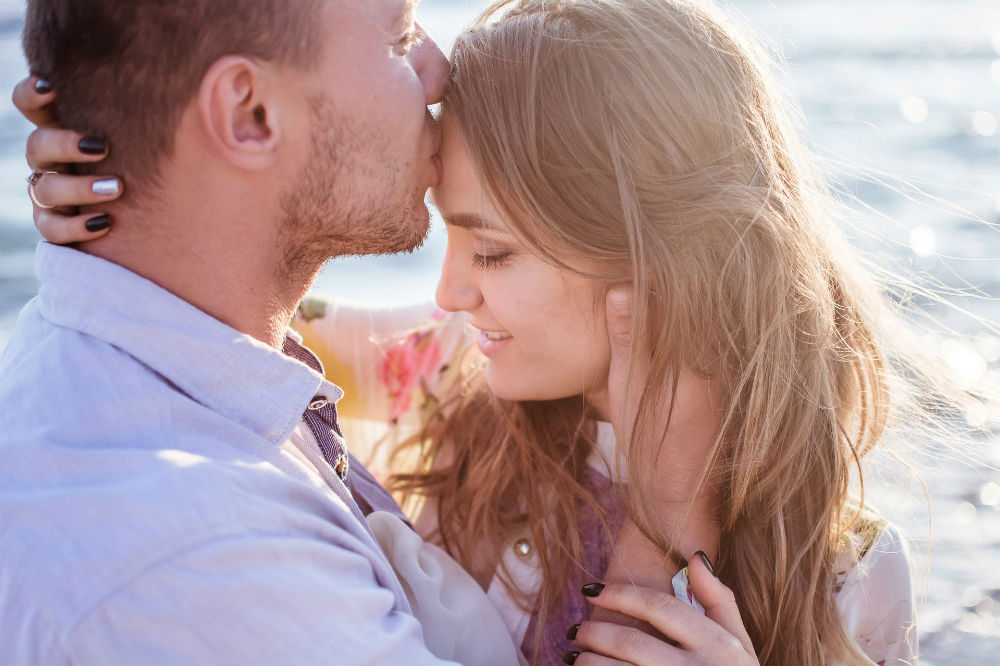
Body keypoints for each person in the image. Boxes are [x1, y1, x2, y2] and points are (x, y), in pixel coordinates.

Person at [10, 0, 931, 664]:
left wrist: (136, 195)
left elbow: (240, 333)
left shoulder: (844, 568)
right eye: (397, 36)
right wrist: (139, 186)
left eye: (491, 253)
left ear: (662, 263)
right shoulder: (446, 394)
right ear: (249, 114)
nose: (434, 67)